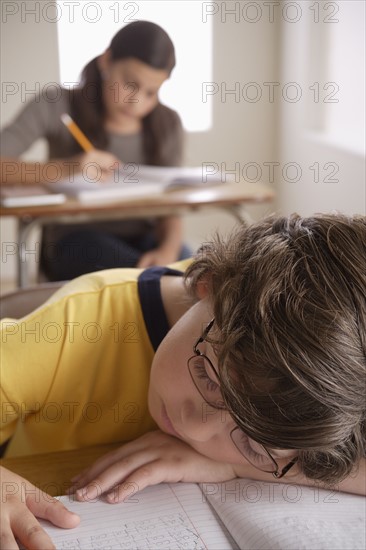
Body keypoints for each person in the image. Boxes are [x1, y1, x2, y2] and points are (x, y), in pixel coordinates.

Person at [1, 213, 365, 549]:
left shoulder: (341, 394)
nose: (195, 430)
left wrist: (238, 465)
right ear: (212, 283)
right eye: (208, 379)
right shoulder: (78, 326)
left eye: (254, 446)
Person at [0, 21, 189, 281]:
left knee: (190, 271)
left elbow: (171, 205)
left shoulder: (168, 123)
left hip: (144, 238)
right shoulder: (56, 105)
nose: (137, 102)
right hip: (74, 241)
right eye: (130, 84)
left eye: (151, 92)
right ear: (107, 60)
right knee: (146, 279)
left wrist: (168, 248)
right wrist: (69, 168)